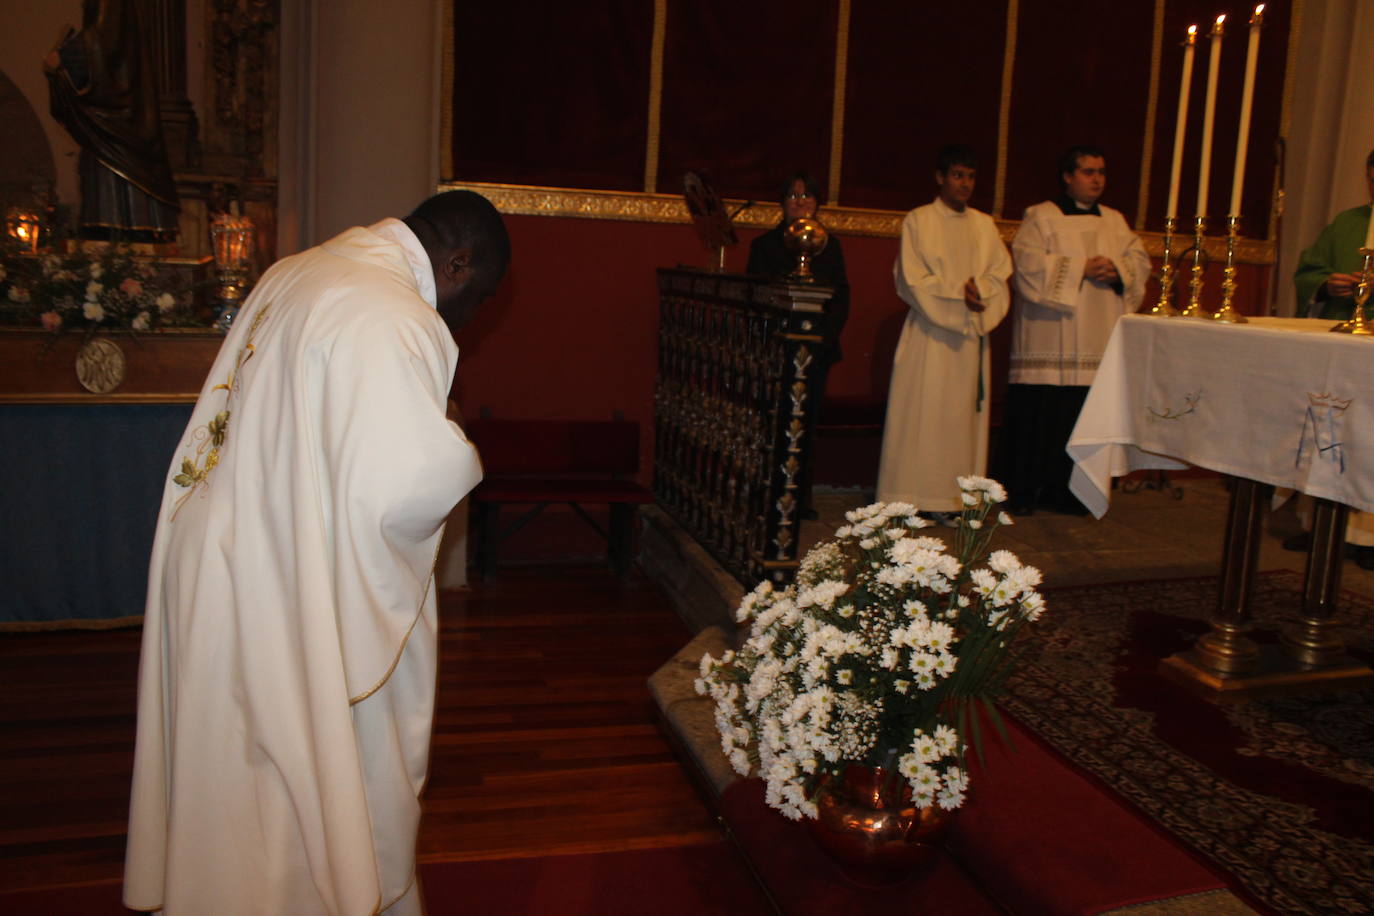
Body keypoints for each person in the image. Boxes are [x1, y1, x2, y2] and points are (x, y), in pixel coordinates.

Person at [123, 190, 510, 915]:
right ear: (457, 263)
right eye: (481, 297)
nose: (474, 315)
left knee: (226, 766)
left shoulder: (296, 271)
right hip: (282, 582)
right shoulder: (394, 315)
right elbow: (403, 486)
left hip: (214, 556)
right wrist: (458, 446)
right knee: (291, 784)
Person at [1001, 145, 1149, 514]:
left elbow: (1138, 262)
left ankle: (1071, 492)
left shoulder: (1114, 220)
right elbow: (1027, 266)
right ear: (1068, 176)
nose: (1097, 179)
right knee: (1041, 417)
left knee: (1080, 416)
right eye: (1088, 172)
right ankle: (1023, 493)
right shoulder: (1041, 216)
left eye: (1101, 172)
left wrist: (1116, 269)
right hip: (1050, 336)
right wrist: (1082, 267)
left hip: (1096, 338)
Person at [877, 145, 1011, 522]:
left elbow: (999, 273)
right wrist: (959, 294)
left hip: (968, 337)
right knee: (923, 415)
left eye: (970, 176)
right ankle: (911, 495)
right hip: (930, 335)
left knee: (958, 423)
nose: (965, 183)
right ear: (940, 177)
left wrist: (980, 293)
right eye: (957, 175)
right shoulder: (918, 221)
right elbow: (911, 277)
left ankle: (955, 499)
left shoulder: (984, 225)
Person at [747, 171, 850, 519]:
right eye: (793, 196)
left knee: (806, 425)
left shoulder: (829, 246)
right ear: (782, 203)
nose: (801, 202)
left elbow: (841, 297)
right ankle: (767, 493)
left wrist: (823, 339)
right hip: (776, 350)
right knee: (772, 424)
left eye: (807, 196)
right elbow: (756, 295)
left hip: (815, 352)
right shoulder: (764, 246)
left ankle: (799, 499)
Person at [44, 0, 180, 241]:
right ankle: (115, 233)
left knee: (107, 164)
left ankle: (116, 231)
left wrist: (63, 56)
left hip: (116, 110)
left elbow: (105, 40)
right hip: (116, 106)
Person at [1293, 148, 1374, 321]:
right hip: (1339, 322)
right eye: (1373, 181)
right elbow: (1308, 273)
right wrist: (1327, 286)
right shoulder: (1346, 221)